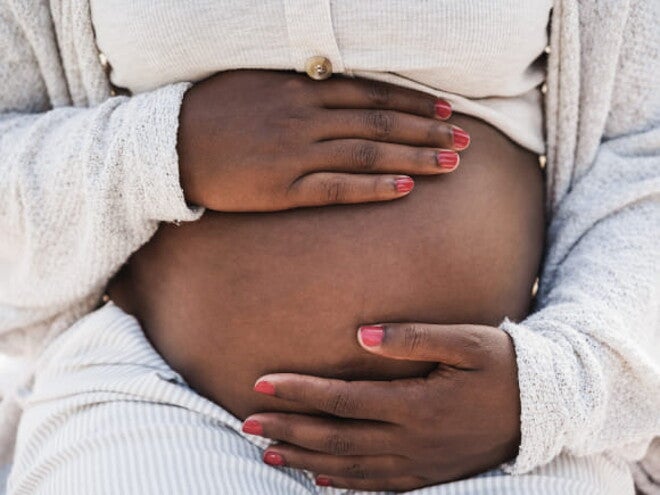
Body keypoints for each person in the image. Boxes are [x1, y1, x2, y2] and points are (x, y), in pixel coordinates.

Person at [0, 1, 658, 494]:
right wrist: (163, 149)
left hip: (508, 437)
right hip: (154, 409)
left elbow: (644, 154)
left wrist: (547, 390)